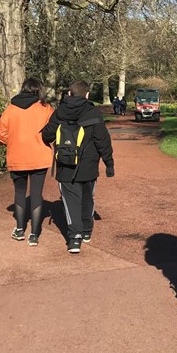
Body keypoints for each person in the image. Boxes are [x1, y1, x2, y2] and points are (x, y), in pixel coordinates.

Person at [42, 79, 115, 253]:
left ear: (69, 94)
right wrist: (109, 163)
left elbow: (47, 135)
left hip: (66, 165)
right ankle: (87, 230)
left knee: (71, 201)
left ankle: (75, 238)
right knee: (87, 197)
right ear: (87, 94)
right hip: (89, 165)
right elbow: (102, 140)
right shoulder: (93, 113)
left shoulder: (60, 112)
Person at [0, 78, 54, 246]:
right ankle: (34, 234)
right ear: (39, 90)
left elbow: (0, 133)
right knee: (36, 195)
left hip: (17, 156)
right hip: (39, 156)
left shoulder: (11, 109)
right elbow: (52, 130)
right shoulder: (45, 109)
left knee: (19, 193)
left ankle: (20, 229)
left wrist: (13, 140)